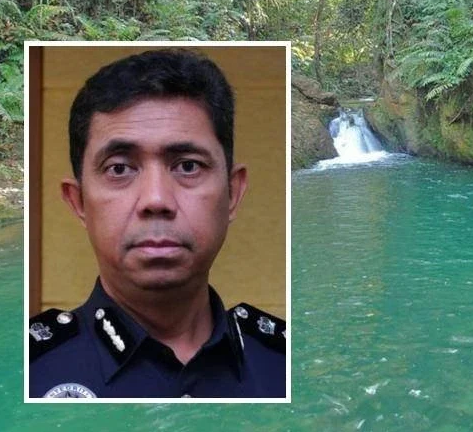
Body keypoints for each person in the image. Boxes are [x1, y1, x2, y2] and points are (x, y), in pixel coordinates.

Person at [28, 49, 286, 399]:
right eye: (119, 168)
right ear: (78, 201)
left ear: (232, 193)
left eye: (188, 166)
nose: (156, 200)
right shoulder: (22, 372)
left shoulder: (289, 363)